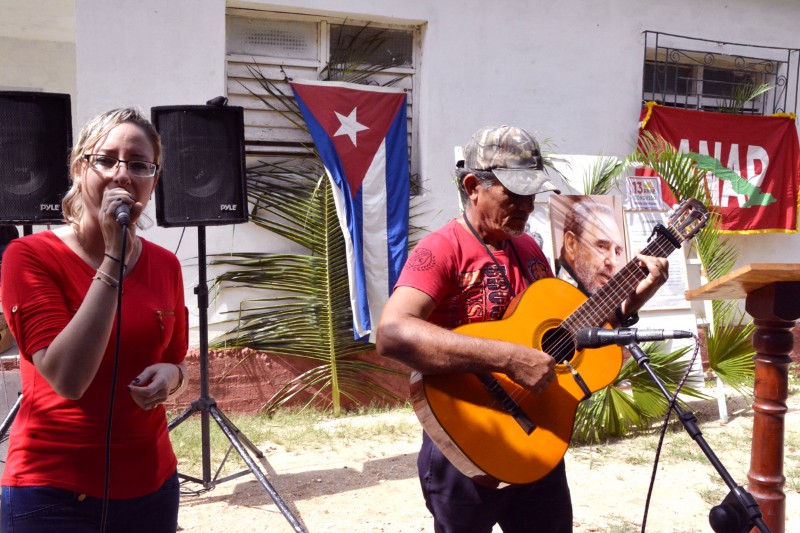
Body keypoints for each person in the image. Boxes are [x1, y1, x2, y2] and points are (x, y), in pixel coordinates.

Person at [376, 125, 669, 532]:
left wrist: (633, 299)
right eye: (513, 195)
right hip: (468, 438)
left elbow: (568, 334)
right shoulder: (440, 249)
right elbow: (392, 333)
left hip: (537, 437)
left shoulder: (529, 250)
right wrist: (507, 358)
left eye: (532, 194)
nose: (528, 206)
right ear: (473, 185)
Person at [0, 108, 189, 532]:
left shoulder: (166, 265)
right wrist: (113, 257)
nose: (123, 174)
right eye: (105, 160)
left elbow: (179, 364)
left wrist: (171, 378)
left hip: (150, 486)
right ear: (77, 169)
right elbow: (68, 379)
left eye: (139, 164)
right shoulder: (29, 257)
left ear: (153, 181)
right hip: (52, 492)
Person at [555, 198, 625, 296]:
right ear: (571, 245)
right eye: (602, 247)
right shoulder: (549, 292)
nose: (613, 262)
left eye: (617, 252)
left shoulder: (594, 291)